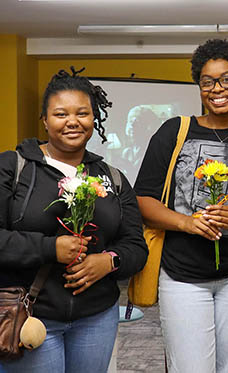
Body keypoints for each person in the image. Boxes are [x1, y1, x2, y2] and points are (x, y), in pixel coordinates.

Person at [134, 39, 228, 373]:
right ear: (199, 87)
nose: (218, 89)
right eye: (208, 81)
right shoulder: (174, 132)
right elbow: (143, 200)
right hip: (182, 275)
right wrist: (186, 223)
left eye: (227, 79)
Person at [0, 68, 148, 372]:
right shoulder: (12, 167)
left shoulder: (113, 178)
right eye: (60, 113)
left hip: (97, 318)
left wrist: (109, 261)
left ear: (94, 118)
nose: (72, 121)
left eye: (82, 113)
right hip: (30, 316)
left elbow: (136, 245)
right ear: (44, 119)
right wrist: (49, 248)